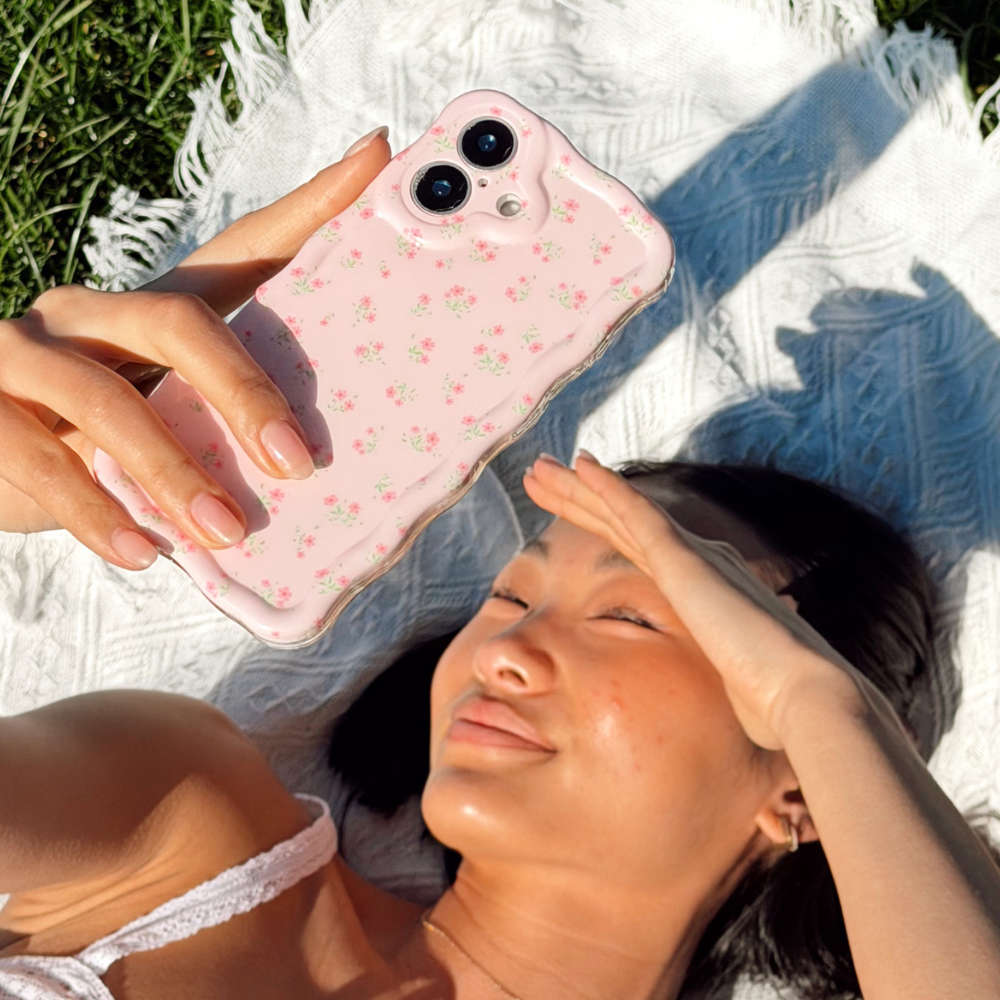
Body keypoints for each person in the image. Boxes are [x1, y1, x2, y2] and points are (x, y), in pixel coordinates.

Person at [1, 128, 999, 1000]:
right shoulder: (182, 821)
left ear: (801, 786)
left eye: (632, 615)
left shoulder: (823, 732)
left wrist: (823, 710)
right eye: (512, 594)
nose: (508, 647)